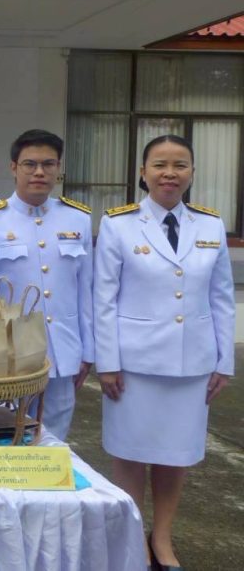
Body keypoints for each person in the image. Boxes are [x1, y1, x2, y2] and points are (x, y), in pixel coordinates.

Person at [95, 134, 234, 570]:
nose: (169, 173)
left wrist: (224, 361)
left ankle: (163, 537)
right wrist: (107, 362)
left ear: (192, 172)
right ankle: (133, 535)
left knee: (177, 454)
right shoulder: (118, 224)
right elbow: (104, 298)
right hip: (133, 365)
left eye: (179, 165)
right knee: (130, 451)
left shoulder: (210, 225)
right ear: (143, 172)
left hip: (193, 363)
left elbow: (221, 297)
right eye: (159, 165)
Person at [0, 130, 93, 441]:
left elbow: (85, 290)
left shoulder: (78, 219)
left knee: (53, 438)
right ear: (13, 168)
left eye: (48, 164)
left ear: (59, 168)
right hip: (7, 351)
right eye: (30, 164)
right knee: (2, 436)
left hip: (62, 349)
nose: (39, 172)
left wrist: (88, 350)